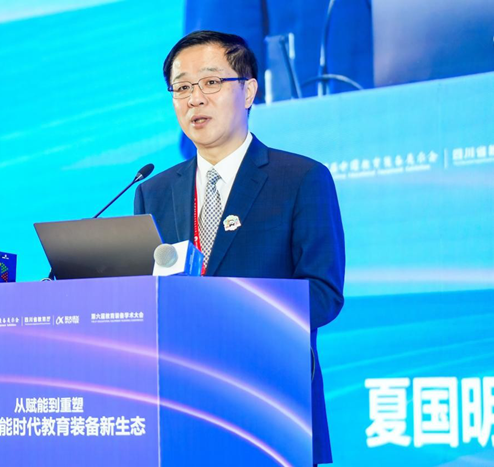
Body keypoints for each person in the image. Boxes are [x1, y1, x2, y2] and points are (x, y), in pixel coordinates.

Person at [134, 30, 345, 465]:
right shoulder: (152, 191)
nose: (195, 99)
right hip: (178, 409)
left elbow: (324, 294)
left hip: (272, 407)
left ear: (248, 91)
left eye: (211, 82)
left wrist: (227, 310)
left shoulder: (300, 179)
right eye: (182, 88)